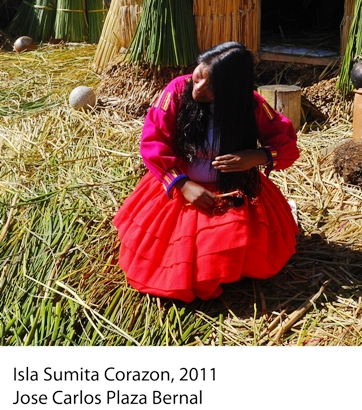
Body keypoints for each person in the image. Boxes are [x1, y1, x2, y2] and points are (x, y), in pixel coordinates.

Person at [113, 41, 300, 303]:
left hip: (234, 188)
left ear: (233, 91)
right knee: (174, 259)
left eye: (212, 88)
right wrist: (183, 185)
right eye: (199, 76)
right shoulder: (177, 90)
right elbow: (153, 142)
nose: (199, 89)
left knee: (232, 246)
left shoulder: (250, 103)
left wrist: (255, 157)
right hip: (181, 186)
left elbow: (287, 145)